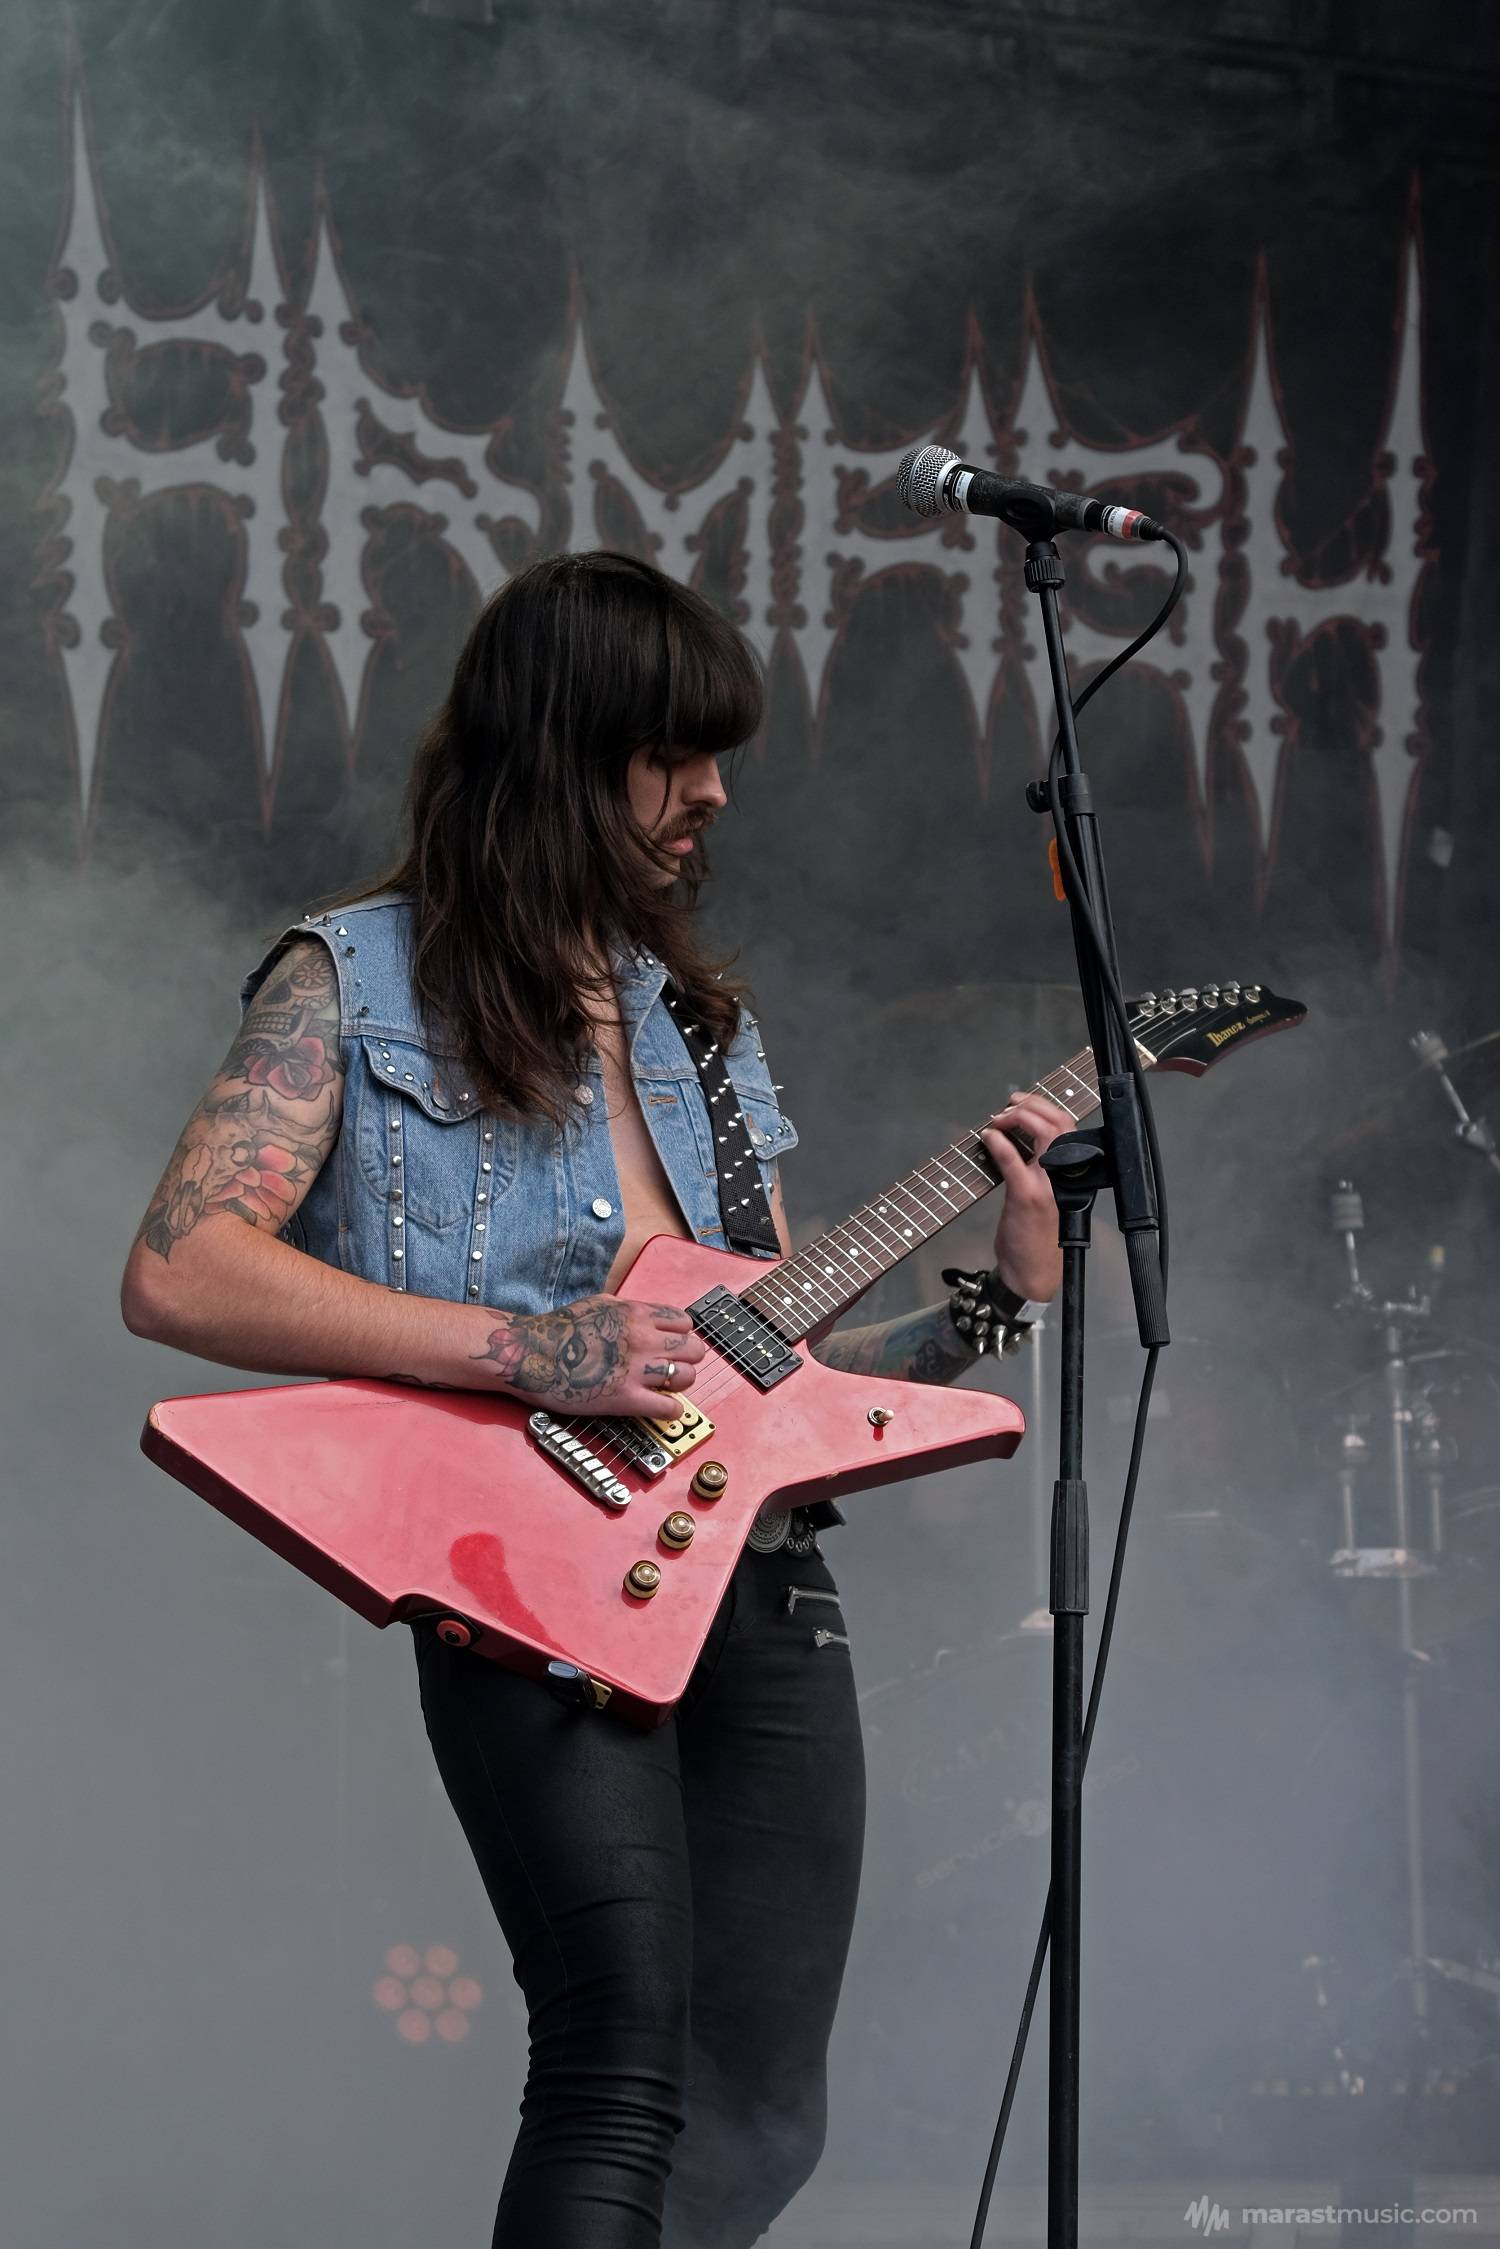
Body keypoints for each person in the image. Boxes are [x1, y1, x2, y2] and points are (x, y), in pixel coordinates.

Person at [120, 550, 1068, 2249]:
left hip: (755, 1579)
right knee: (619, 2052)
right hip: (523, 1584)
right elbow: (181, 1268)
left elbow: (777, 1372)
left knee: (766, 2100)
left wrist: (999, 1299)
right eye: (672, 755)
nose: (712, 793)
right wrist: (530, 1349)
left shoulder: (697, 1024)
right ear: (565, 752)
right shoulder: (353, 981)